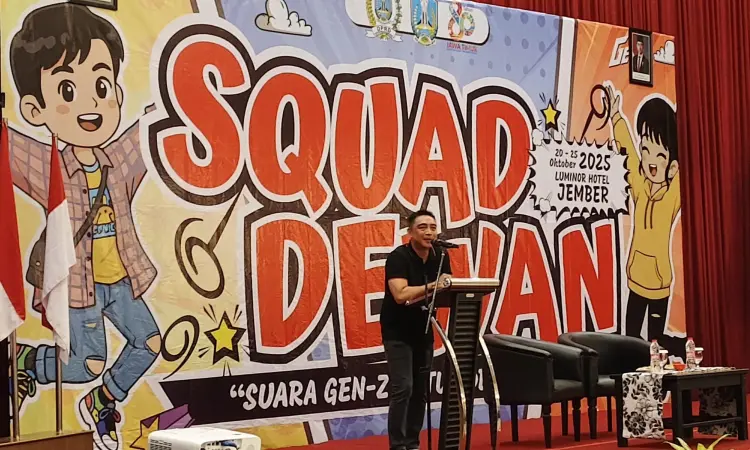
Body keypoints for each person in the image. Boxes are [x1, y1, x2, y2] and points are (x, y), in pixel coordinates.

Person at [8, 4, 160, 449]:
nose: (91, 103)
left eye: (101, 85)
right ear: (35, 108)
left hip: (122, 280)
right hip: (79, 285)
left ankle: (103, 400)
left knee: (148, 343)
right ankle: (28, 362)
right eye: (67, 89)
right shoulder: (50, 166)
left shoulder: (119, 160)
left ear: (116, 92)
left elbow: (148, 130)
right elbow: (12, 148)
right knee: (84, 364)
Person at [606, 85, 680, 343]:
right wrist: (616, 117)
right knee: (630, 343)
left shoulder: (673, 195)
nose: (650, 160)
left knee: (655, 346)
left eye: (660, 154)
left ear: (672, 165)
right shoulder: (639, 185)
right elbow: (627, 149)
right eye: (646, 150)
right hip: (635, 281)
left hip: (660, 287)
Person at [380, 210, 452, 450]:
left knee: (421, 390)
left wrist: (441, 287)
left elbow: (446, 288)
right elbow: (400, 295)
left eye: (433, 227)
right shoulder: (398, 257)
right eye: (422, 227)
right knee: (404, 387)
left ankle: (413, 443)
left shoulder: (441, 255)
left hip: (424, 328)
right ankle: (398, 445)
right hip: (397, 331)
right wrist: (433, 286)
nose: (429, 232)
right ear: (410, 232)